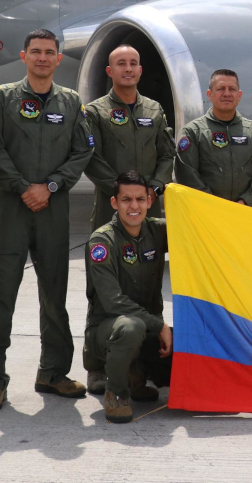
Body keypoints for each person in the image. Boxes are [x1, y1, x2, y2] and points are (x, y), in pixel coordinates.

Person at [0, 29, 95, 411]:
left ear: (59, 59)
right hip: (12, 207)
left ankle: (53, 372)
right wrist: (24, 186)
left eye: (49, 53)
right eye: (36, 52)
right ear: (24, 56)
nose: (43, 58)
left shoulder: (72, 102)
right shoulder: (2, 98)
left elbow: (82, 150)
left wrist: (52, 186)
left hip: (53, 209)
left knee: (55, 294)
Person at [82, 44, 176, 394]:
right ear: (109, 72)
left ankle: (138, 361)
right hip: (112, 210)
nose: (128, 69)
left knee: (147, 285)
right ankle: (96, 365)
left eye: (133, 63)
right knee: (103, 290)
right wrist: (124, 194)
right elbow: (90, 157)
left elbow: (167, 154)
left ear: (140, 70)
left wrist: (152, 190)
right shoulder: (96, 111)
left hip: (147, 208)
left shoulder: (154, 109)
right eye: (120, 63)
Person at [85, 171, 172, 423]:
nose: (134, 206)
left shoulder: (157, 231)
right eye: (126, 200)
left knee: (190, 349)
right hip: (108, 330)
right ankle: (117, 393)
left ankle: (137, 375)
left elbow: (198, 230)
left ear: (148, 201)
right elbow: (113, 302)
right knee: (130, 327)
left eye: (140, 199)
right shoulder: (103, 241)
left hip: (150, 330)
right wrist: (160, 325)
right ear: (114, 203)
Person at [173, 69, 252, 206]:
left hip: (245, 213)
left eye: (232, 89)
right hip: (206, 212)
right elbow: (187, 175)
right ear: (209, 94)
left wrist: (246, 201)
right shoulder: (193, 132)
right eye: (220, 89)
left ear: (239, 95)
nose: (227, 93)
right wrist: (215, 205)